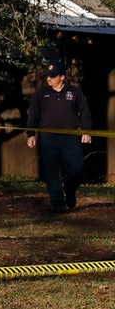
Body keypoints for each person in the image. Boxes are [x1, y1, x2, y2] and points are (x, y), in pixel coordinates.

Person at [25, 57, 94, 214]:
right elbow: (33, 116)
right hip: (48, 137)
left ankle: (69, 191)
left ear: (62, 77)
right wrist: (31, 134)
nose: (49, 78)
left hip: (70, 137)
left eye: (53, 76)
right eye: (48, 75)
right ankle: (58, 204)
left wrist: (86, 131)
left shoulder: (74, 92)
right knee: (51, 171)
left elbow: (85, 113)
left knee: (77, 168)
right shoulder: (40, 94)